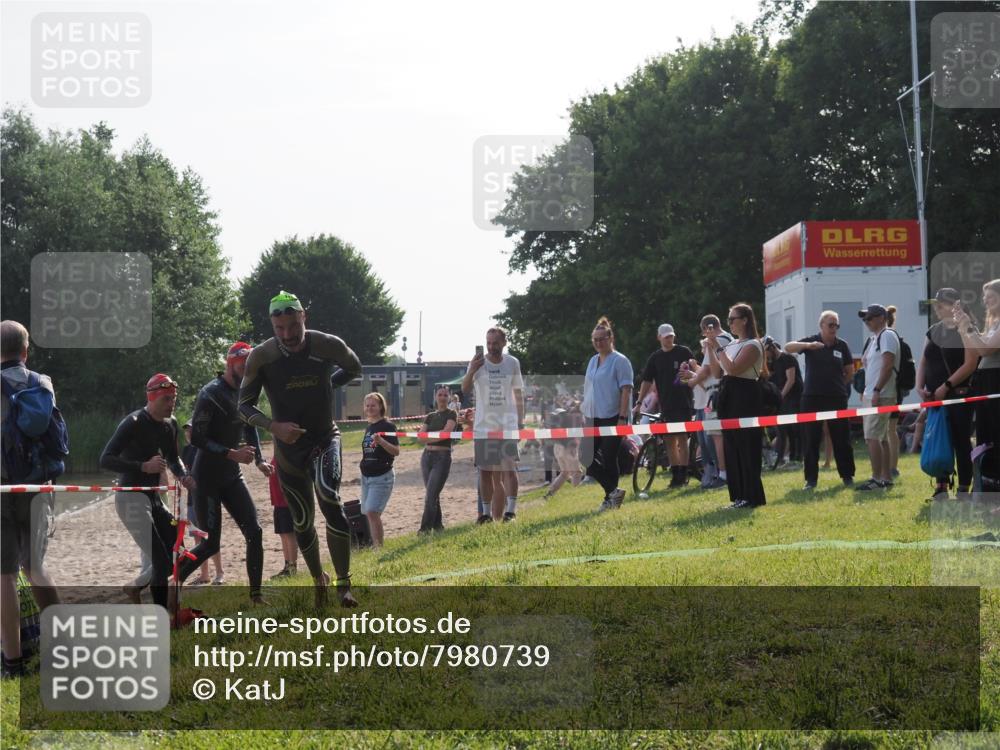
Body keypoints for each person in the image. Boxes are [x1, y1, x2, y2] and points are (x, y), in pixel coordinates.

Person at [238, 290, 363, 608]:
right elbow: (244, 406)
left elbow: (354, 367)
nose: (288, 335)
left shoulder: (326, 345)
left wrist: (328, 384)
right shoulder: (262, 357)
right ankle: (318, 578)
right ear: (272, 325)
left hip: (324, 437)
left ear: (303, 317)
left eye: (293, 326)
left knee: (328, 496)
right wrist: (273, 427)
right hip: (287, 449)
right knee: (302, 519)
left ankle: (344, 585)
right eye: (279, 329)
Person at [175, 343, 273, 604]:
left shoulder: (246, 391)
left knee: (255, 532)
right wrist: (232, 453)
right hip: (206, 477)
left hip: (232, 475)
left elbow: (250, 422)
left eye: (251, 365)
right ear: (231, 364)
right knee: (210, 545)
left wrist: (260, 460)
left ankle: (256, 596)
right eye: (244, 365)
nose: (248, 370)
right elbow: (195, 436)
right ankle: (173, 581)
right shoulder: (211, 393)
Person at [100, 374, 195, 610]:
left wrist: (183, 475)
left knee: (179, 550)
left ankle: (136, 586)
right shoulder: (132, 422)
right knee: (161, 563)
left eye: (173, 398)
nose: (171, 404)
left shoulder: (170, 424)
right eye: (166, 399)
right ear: (151, 398)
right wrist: (142, 466)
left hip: (153, 498)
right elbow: (106, 459)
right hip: (130, 498)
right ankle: (161, 616)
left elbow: (173, 459)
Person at [0, 320, 61, 678]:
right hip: (38, 485)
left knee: (4, 575)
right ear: (26, 351)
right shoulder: (43, 383)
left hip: (2, 488)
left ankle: (13, 661)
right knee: (35, 566)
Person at [916, 288, 980, 500]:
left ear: (954, 305)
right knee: (939, 439)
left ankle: (963, 488)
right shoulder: (933, 330)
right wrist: (920, 386)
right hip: (934, 396)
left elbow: (970, 364)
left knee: (961, 440)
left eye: (940, 304)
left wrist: (946, 386)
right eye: (935, 304)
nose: (936, 308)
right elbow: (923, 360)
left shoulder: (966, 327)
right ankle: (941, 486)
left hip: (959, 393)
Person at [704, 303, 766, 509]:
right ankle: (739, 496)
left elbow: (733, 368)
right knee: (732, 447)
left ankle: (752, 496)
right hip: (729, 395)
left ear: (745, 320)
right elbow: (717, 372)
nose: (729, 323)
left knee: (747, 447)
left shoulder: (753, 345)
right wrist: (711, 348)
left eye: (733, 319)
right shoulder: (732, 345)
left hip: (746, 396)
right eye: (728, 319)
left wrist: (718, 347)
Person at [785, 311, 856, 490]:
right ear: (821, 326)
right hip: (812, 397)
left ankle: (847, 476)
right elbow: (788, 347)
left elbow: (849, 372)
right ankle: (811, 480)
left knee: (841, 438)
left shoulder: (842, 346)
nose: (834, 328)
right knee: (811, 439)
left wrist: (839, 385)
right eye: (830, 325)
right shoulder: (813, 341)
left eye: (836, 325)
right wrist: (809, 345)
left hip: (836, 398)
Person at [462, 327, 524, 522]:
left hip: (506, 425)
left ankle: (511, 512)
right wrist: (472, 368)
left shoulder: (512, 363)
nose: (491, 347)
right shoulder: (477, 364)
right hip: (483, 426)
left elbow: (518, 394)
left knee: (509, 468)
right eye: (488, 343)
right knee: (486, 471)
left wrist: (520, 423)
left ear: (504, 343)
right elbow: (464, 389)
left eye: (495, 343)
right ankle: (486, 514)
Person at [581, 317, 634, 511]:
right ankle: (613, 491)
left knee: (610, 457)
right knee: (585, 457)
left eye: (601, 339)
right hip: (593, 416)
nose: (598, 343)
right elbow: (588, 389)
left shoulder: (620, 361)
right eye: (595, 339)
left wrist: (622, 418)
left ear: (610, 338)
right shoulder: (593, 361)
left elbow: (626, 390)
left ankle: (610, 499)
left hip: (613, 416)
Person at [635, 324, 695, 487]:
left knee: (682, 438)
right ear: (659, 337)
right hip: (666, 405)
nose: (669, 339)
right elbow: (647, 380)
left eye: (671, 336)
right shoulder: (655, 358)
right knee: (669, 440)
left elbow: (694, 373)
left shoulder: (684, 352)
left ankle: (683, 474)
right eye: (666, 336)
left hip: (684, 403)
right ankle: (675, 474)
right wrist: (639, 403)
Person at [955, 278, 1000, 493]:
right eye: (985, 297)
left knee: (996, 435)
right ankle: (987, 486)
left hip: (996, 382)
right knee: (985, 435)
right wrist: (964, 327)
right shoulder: (993, 323)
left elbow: (985, 350)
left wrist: (970, 329)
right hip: (985, 382)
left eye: (991, 296)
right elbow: (974, 350)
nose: (986, 301)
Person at [680, 315, 732, 490]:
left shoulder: (719, 340)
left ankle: (723, 474)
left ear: (706, 329)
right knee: (710, 438)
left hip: (715, 395)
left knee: (716, 437)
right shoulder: (724, 340)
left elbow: (711, 370)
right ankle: (719, 473)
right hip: (713, 393)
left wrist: (693, 378)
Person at [854, 304, 899, 491]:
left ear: (881, 317)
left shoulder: (887, 335)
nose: (867, 322)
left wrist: (877, 390)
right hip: (874, 393)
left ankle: (876, 479)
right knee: (880, 438)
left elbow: (887, 366)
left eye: (870, 318)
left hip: (880, 394)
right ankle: (886, 478)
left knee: (872, 437)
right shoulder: (876, 337)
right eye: (865, 319)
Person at [181, 422, 222, 587]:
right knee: (197, 539)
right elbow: (183, 472)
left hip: (207, 500)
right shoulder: (186, 450)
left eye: (191, 430)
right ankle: (204, 574)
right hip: (192, 500)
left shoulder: (205, 448)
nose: (188, 433)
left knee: (211, 539)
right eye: (186, 431)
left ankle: (220, 573)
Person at [360, 392, 399, 547]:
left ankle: (378, 547)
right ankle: (374, 544)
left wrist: (382, 442)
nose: (370, 408)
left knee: (372, 512)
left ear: (381, 406)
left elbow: (396, 451)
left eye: (373, 405)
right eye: (367, 405)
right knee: (368, 513)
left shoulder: (388, 426)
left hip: (382, 476)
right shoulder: (369, 428)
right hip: (366, 476)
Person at [418, 386, 457, 533]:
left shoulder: (452, 413)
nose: (442, 397)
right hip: (426, 457)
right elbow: (420, 437)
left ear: (449, 398)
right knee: (432, 493)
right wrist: (434, 436)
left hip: (442, 457)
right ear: (435, 397)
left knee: (431, 495)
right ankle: (438, 526)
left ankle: (425, 529)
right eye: (440, 395)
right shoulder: (430, 416)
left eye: (445, 395)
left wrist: (428, 437)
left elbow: (446, 433)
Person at [764, 337, 803, 470]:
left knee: (795, 430)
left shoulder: (788, 358)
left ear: (772, 348)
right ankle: (781, 459)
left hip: (794, 398)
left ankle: (797, 459)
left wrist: (780, 396)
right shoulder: (774, 363)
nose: (767, 356)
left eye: (767, 352)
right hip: (783, 401)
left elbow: (790, 380)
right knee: (782, 431)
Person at [543, 401, 584, 499]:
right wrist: (573, 448)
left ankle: (550, 493)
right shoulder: (576, 417)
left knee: (565, 473)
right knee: (577, 473)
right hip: (568, 447)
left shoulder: (565, 415)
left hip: (557, 447)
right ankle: (576, 496)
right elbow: (574, 435)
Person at [268, 457, 298, 578]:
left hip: (286, 502)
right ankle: (287, 566)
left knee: (289, 534)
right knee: (283, 533)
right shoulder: (277, 454)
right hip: (278, 502)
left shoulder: (286, 455)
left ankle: (292, 567)